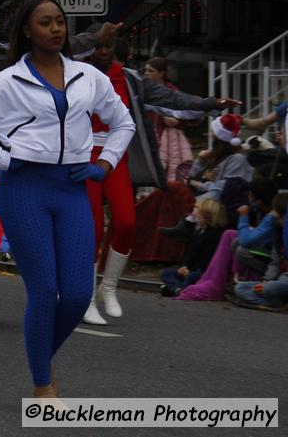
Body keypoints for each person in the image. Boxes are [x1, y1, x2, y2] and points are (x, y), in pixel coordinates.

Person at [0, 0, 135, 399]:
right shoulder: (8, 82)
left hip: (72, 190)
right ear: (27, 32)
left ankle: (39, 358)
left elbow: (123, 122)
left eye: (60, 22)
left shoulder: (88, 76)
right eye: (45, 23)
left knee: (80, 294)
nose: (55, 29)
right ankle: (41, 383)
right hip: (26, 189)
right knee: (46, 291)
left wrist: (105, 165)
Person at [81, 32, 232, 325]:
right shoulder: (74, 71)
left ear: (116, 50)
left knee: (126, 223)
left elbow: (171, 97)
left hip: (115, 158)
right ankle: (86, 298)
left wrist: (211, 102)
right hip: (82, 157)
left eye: (108, 45)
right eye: (96, 45)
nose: (101, 51)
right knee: (94, 229)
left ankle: (108, 287)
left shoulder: (130, 79)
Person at [143, 57, 197, 182]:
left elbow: (185, 114)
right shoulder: (143, 91)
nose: (146, 74)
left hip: (168, 140)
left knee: (167, 170)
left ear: (161, 73)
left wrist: (177, 121)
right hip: (149, 137)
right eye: (145, 71)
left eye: (151, 71)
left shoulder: (172, 92)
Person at [159, 198, 227, 296]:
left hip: (205, 272)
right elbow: (191, 254)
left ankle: (177, 289)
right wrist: (184, 267)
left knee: (191, 276)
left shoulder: (214, 235)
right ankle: (179, 289)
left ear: (205, 215)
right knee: (166, 273)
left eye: (196, 208)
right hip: (192, 270)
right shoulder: (198, 231)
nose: (192, 210)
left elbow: (208, 260)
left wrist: (190, 271)